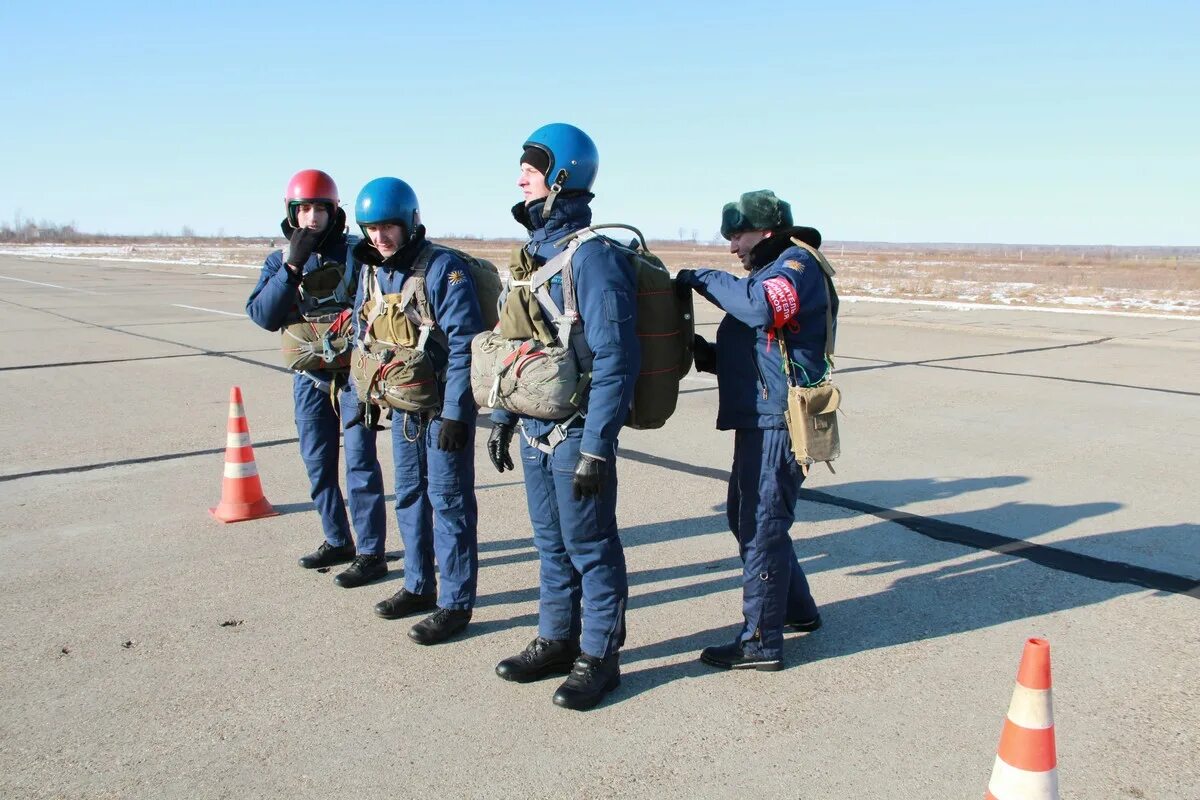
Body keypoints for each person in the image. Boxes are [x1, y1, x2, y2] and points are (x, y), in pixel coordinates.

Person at [486, 123, 640, 710]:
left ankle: (601, 656)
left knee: (591, 544)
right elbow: (516, 344)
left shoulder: (593, 258)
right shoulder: (533, 255)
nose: (520, 173)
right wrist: (504, 415)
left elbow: (615, 359)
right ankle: (557, 638)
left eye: (533, 164)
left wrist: (598, 446)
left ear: (563, 174)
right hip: (534, 426)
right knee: (549, 543)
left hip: (577, 431)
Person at [674, 189, 833, 672]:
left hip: (779, 422)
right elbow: (765, 352)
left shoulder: (794, 268)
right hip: (760, 416)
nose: (732, 247)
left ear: (766, 230)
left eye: (737, 235)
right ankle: (796, 609)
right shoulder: (769, 270)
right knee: (748, 517)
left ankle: (760, 642)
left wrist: (702, 279)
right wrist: (705, 354)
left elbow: (767, 310)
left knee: (760, 524)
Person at [348, 177, 484, 645]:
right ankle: (418, 584)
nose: (380, 238)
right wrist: (364, 397)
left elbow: (466, 345)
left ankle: (455, 603)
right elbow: (364, 339)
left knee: (449, 503)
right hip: (403, 409)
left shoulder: (443, 270)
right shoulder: (370, 271)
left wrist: (457, 415)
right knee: (408, 495)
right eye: (371, 228)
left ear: (410, 223)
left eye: (388, 227)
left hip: (441, 407)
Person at [246, 170, 387, 583]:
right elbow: (263, 315)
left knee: (361, 464)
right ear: (291, 212)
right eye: (302, 209)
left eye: (319, 209)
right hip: (309, 379)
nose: (311, 218)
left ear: (333, 211)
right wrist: (292, 265)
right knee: (318, 463)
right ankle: (337, 538)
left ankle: (371, 552)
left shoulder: (358, 254)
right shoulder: (279, 261)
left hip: (354, 378)